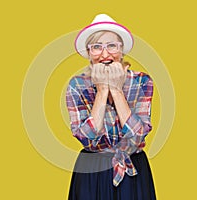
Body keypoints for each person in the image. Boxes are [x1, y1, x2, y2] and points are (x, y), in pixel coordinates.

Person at [66, 13, 156, 200]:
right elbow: (87, 138)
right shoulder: (77, 85)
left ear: (122, 50)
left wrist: (115, 89)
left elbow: (137, 136)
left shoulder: (142, 81)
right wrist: (101, 91)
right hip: (91, 171)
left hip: (134, 168)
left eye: (111, 46)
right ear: (89, 52)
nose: (105, 54)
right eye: (97, 47)